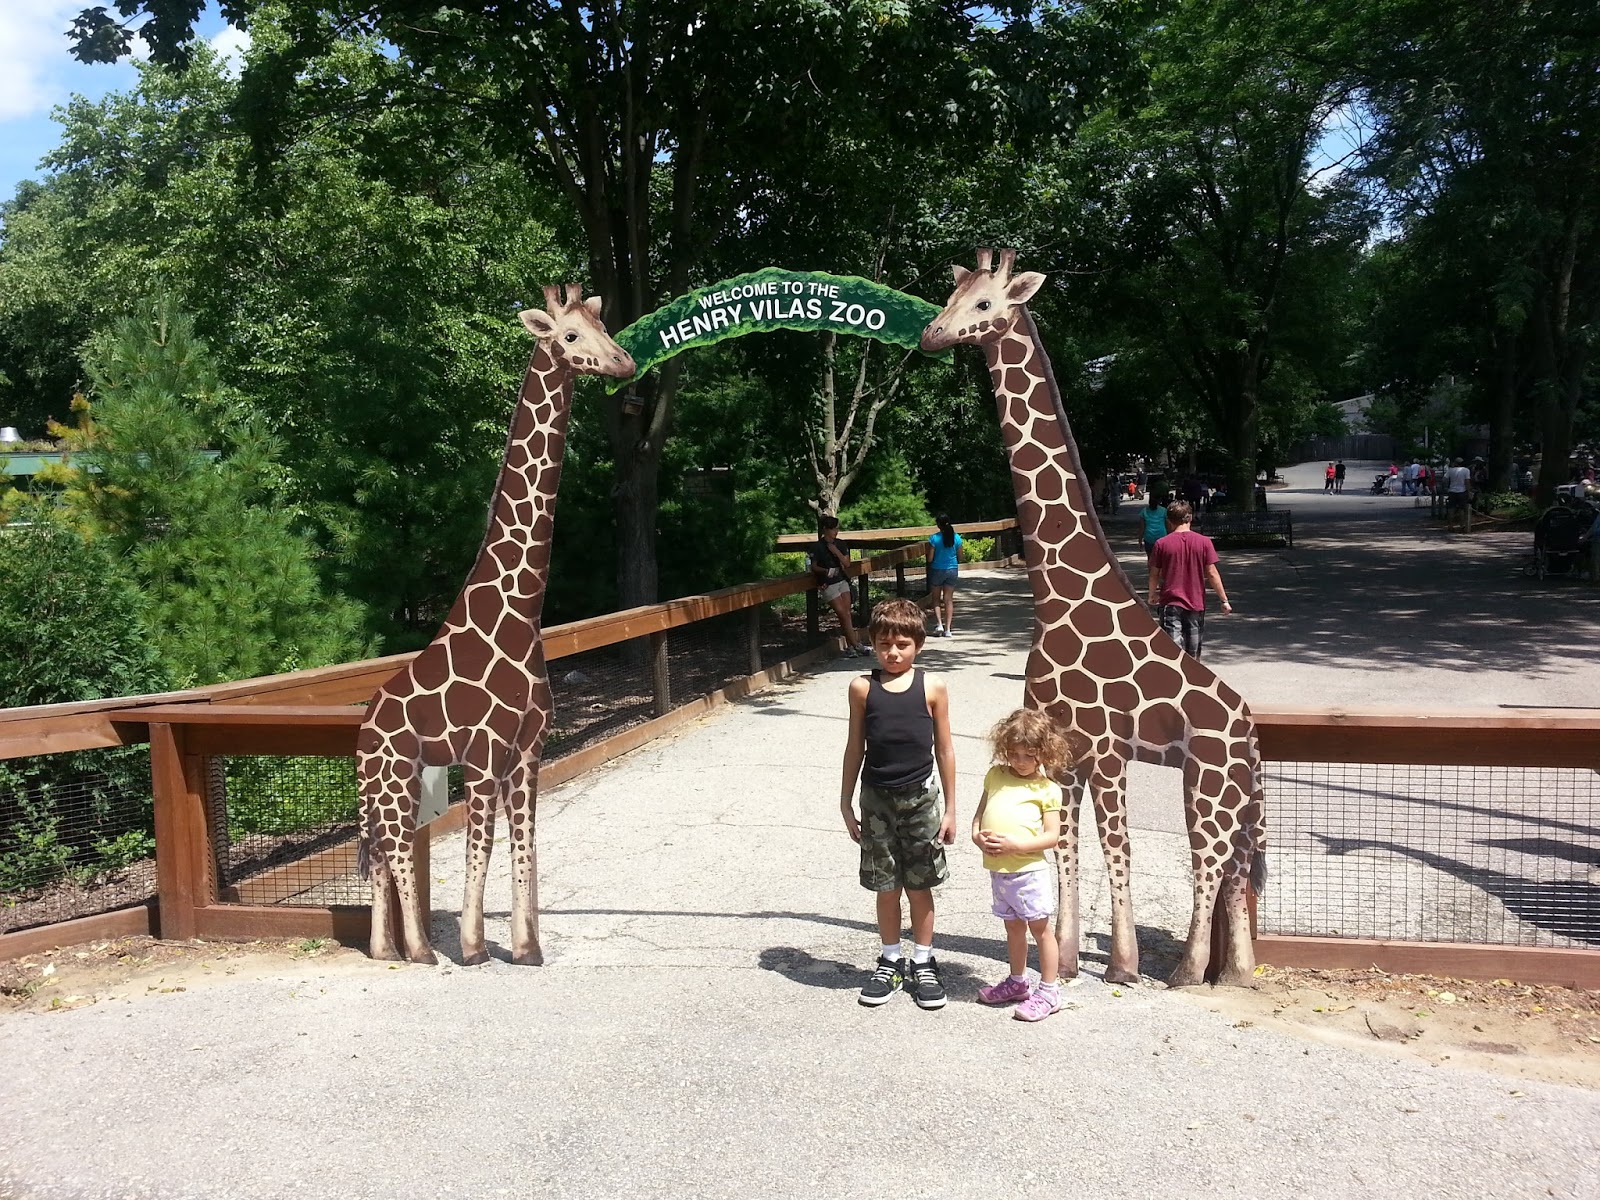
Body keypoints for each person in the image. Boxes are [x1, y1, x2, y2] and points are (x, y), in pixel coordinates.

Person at [840, 598, 957, 1010]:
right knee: (885, 886)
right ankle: (890, 959)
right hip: (876, 801)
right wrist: (845, 803)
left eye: (902, 645)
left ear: (918, 645)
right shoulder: (861, 688)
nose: (893, 653)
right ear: (873, 643)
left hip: (922, 800)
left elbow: (945, 749)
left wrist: (951, 809)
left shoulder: (932, 687)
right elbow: (855, 746)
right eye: (884, 644)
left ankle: (923, 961)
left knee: (919, 886)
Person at [972, 709, 1067, 1023]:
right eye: (1013, 754)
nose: (1021, 761)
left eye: (1029, 755)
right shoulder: (996, 776)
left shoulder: (1047, 790)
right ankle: (1017, 982)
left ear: (1045, 752)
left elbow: (1052, 836)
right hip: (999, 871)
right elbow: (980, 814)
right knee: (1012, 927)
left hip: (1029, 873)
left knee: (1040, 930)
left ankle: (1050, 992)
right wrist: (977, 835)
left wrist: (1016, 846)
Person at [1147, 500, 1232, 659]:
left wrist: (1152, 594)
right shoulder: (1204, 542)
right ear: (1190, 518)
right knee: (1193, 652)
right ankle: (1192, 673)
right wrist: (1224, 600)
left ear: (1169, 520)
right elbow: (1212, 573)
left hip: (1170, 602)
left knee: (1172, 651)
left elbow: (1154, 573)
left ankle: (1174, 674)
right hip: (1195, 602)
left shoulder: (1161, 544)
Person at [809, 515, 872, 656]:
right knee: (842, 613)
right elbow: (813, 566)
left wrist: (836, 551)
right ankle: (856, 644)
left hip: (841, 580)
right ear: (825, 529)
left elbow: (847, 563)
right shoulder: (817, 547)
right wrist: (825, 571)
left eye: (837, 528)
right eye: (833, 529)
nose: (835, 531)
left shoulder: (841, 544)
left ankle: (850, 647)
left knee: (847, 613)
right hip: (828, 583)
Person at [925, 514, 963, 638]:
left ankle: (939, 624)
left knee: (936, 599)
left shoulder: (934, 538)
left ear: (938, 525)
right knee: (948, 600)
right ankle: (948, 629)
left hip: (937, 569)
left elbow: (930, 558)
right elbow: (961, 556)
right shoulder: (956, 538)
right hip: (952, 569)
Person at [1445, 457, 1472, 529]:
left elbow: (1444, 479)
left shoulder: (1450, 470)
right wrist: (1469, 491)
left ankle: (1450, 525)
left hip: (1452, 491)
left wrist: (1447, 487)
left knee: (1451, 508)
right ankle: (1461, 525)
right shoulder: (1466, 470)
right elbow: (1467, 482)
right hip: (1462, 491)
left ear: (1455, 463)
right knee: (1461, 509)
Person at [1139, 491, 1168, 556]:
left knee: (1150, 557)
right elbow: (1168, 525)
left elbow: (1142, 528)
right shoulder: (1164, 511)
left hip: (1149, 537)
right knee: (1161, 557)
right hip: (1162, 536)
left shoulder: (1144, 511)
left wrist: (1140, 540)